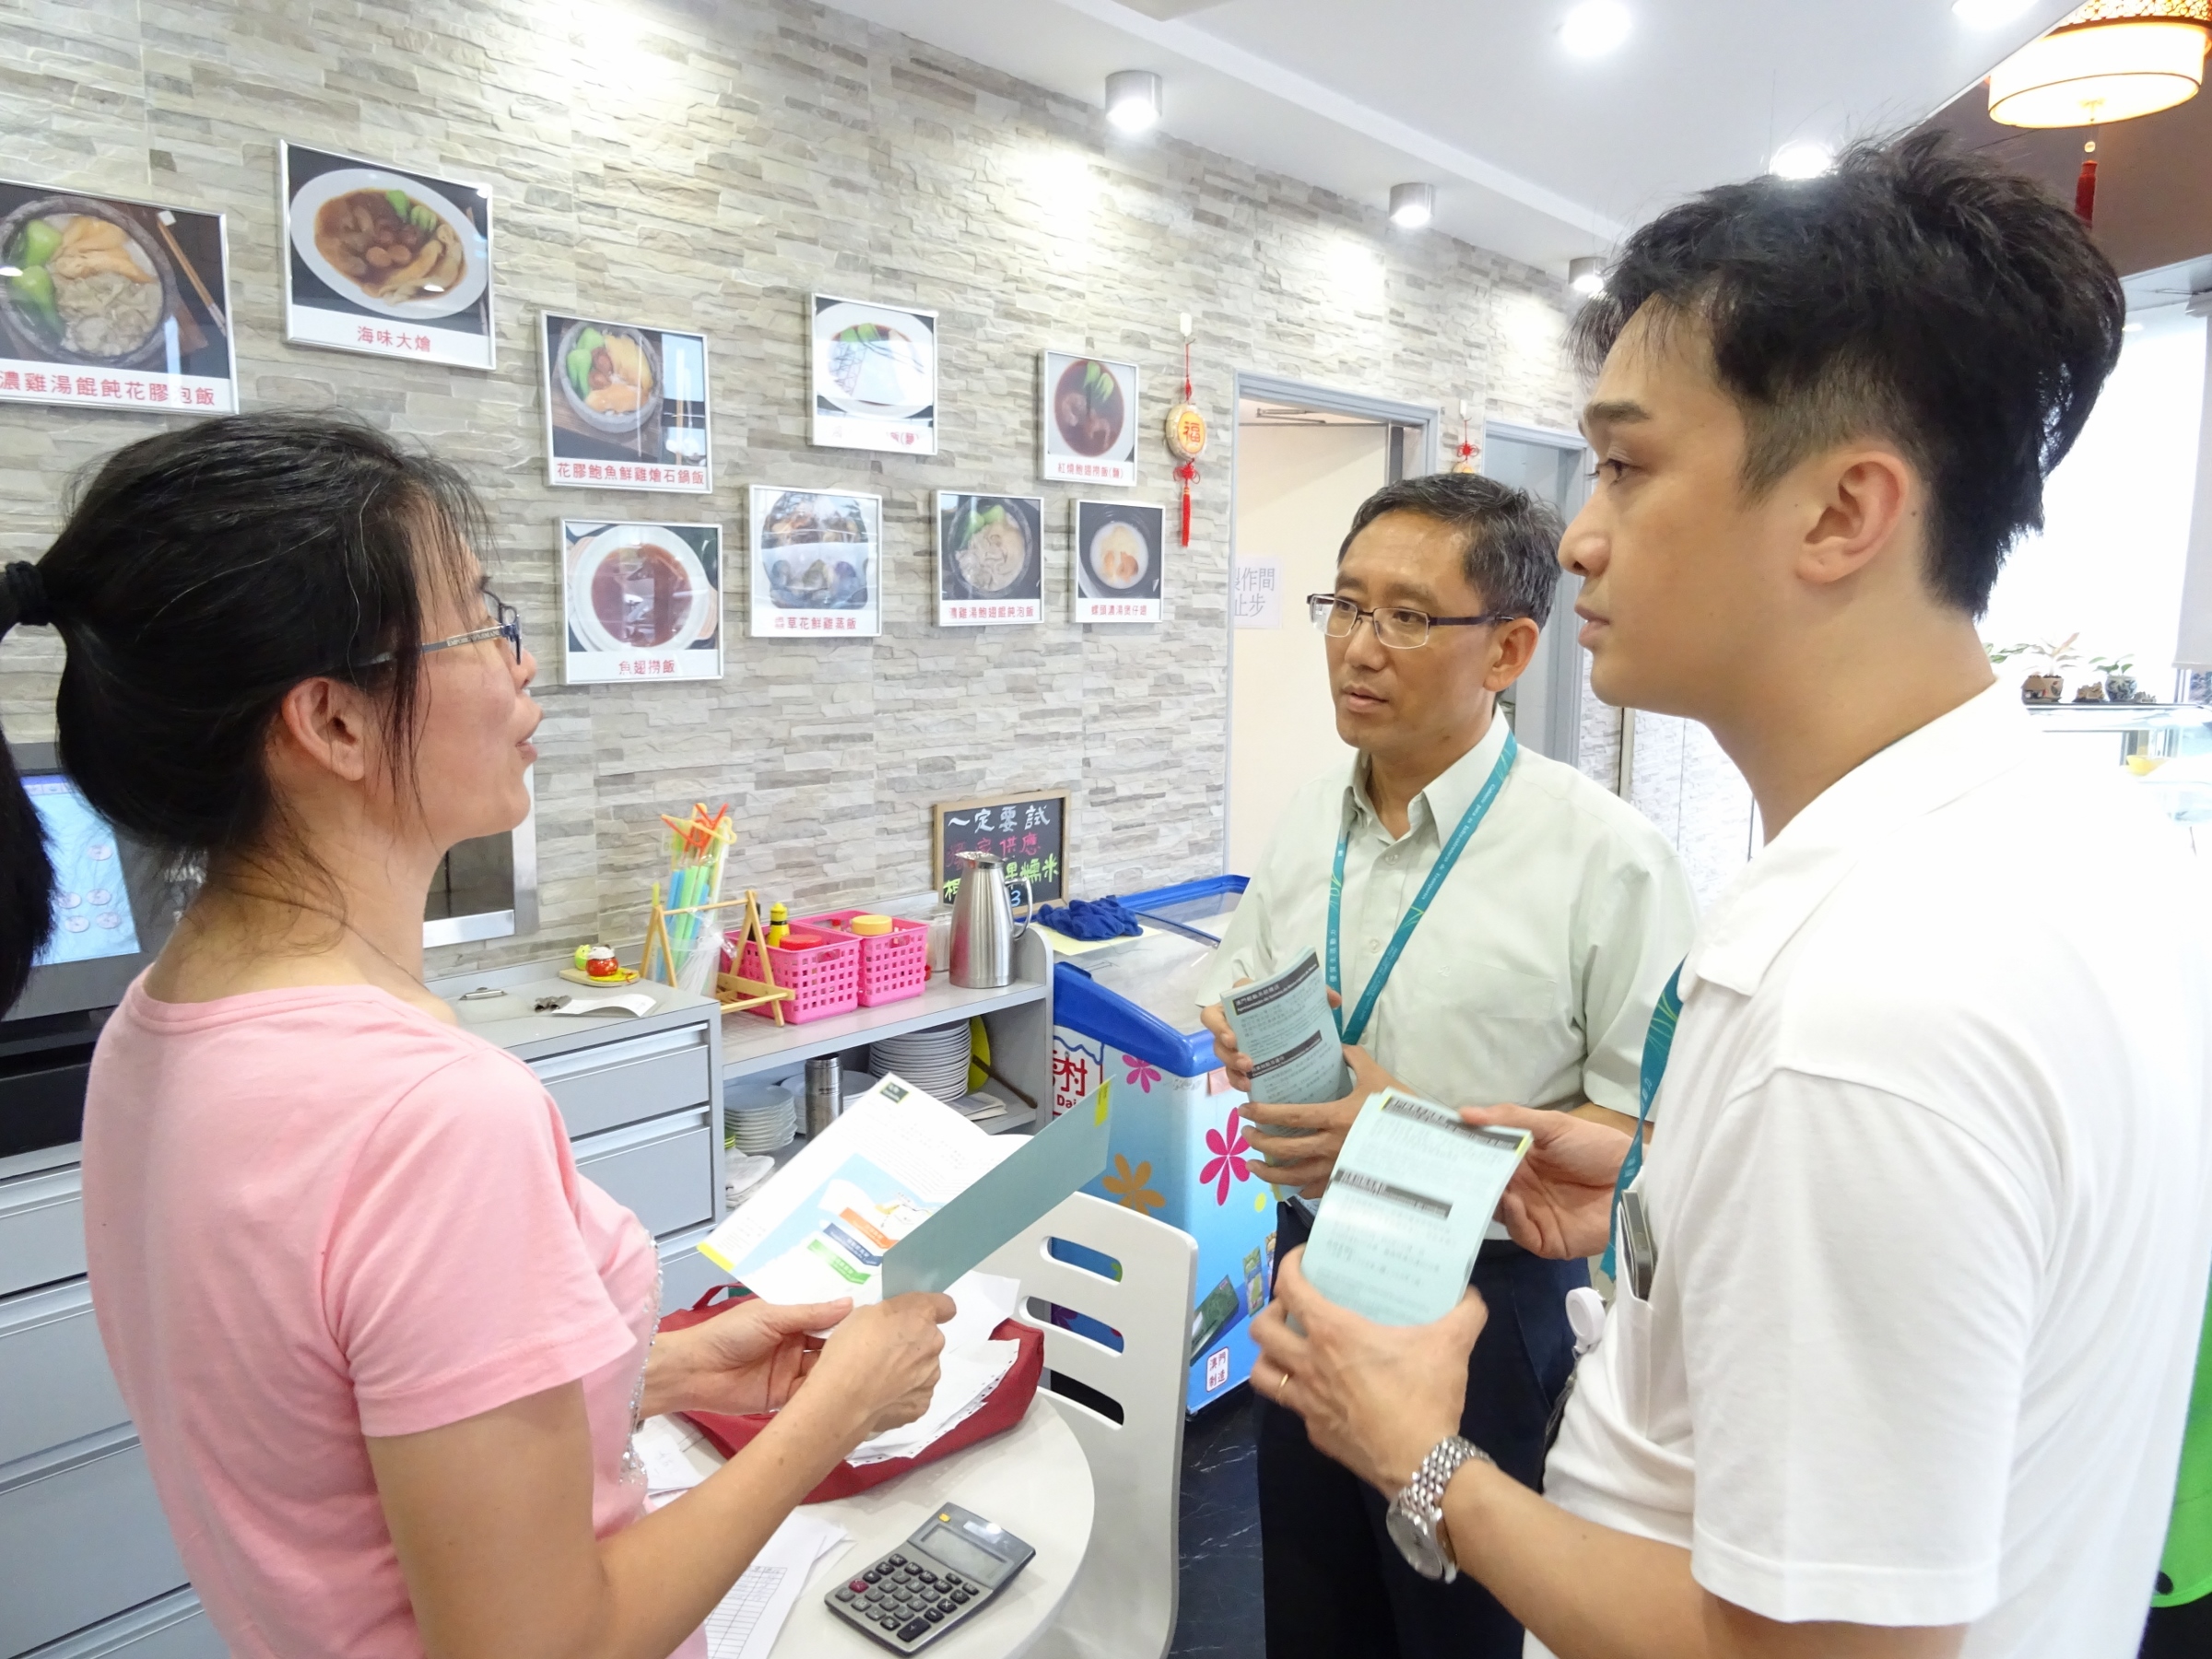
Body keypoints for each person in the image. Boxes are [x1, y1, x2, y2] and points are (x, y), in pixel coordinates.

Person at [1249, 133, 2212, 1659]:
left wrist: (1422, 1460)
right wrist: (1655, 1178)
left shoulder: (1866, 1011)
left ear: (1842, 511)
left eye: (1628, 467)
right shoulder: (2077, 841)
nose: (1580, 535)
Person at [0, 414, 957, 1659]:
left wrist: (662, 1372)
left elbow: (326, 1439)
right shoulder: (431, 1119)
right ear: (333, 722)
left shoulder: (155, 1027)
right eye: (482, 621)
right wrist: (836, 1411)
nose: (523, 667)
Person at [1195, 471, 1695, 1659]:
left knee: (1461, 1631)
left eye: (1409, 617)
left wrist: (1405, 1128)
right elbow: (1239, 978)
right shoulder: (1313, 813)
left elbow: (1657, 1146)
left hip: (1491, 1309)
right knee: (1312, 1619)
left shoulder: (1609, 859)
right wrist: (1245, 1033)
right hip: (1314, 1276)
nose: (1358, 647)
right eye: (1345, 605)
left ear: (1509, 649)